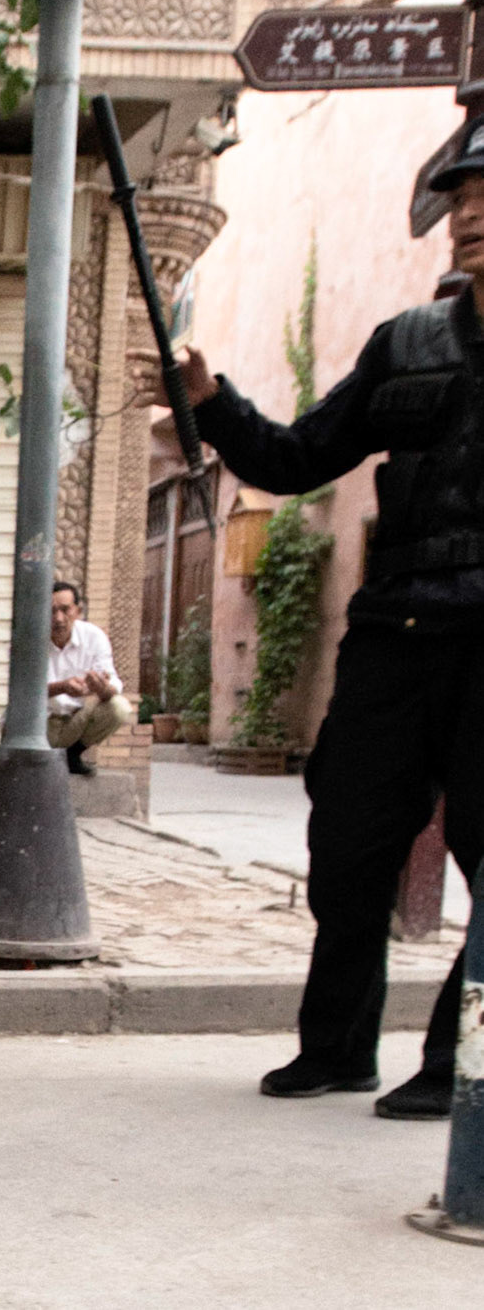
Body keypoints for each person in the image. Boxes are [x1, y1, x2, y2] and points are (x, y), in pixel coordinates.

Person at [179, 125, 484, 1121]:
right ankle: (337, 1046)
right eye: (463, 194)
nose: (471, 212)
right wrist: (214, 404)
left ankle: (457, 1061)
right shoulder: (409, 344)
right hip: (395, 633)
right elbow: (300, 454)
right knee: (350, 846)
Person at [45, 580, 133, 776]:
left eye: (65, 610)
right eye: (51, 611)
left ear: (78, 610)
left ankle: (73, 754)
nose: (58, 618)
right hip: (41, 725)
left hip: (74, 721)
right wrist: (62, 687)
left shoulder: (94, 636)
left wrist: (101, 688)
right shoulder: (31, 638)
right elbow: (24, 691)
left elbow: (113, 686)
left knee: (119, 706)